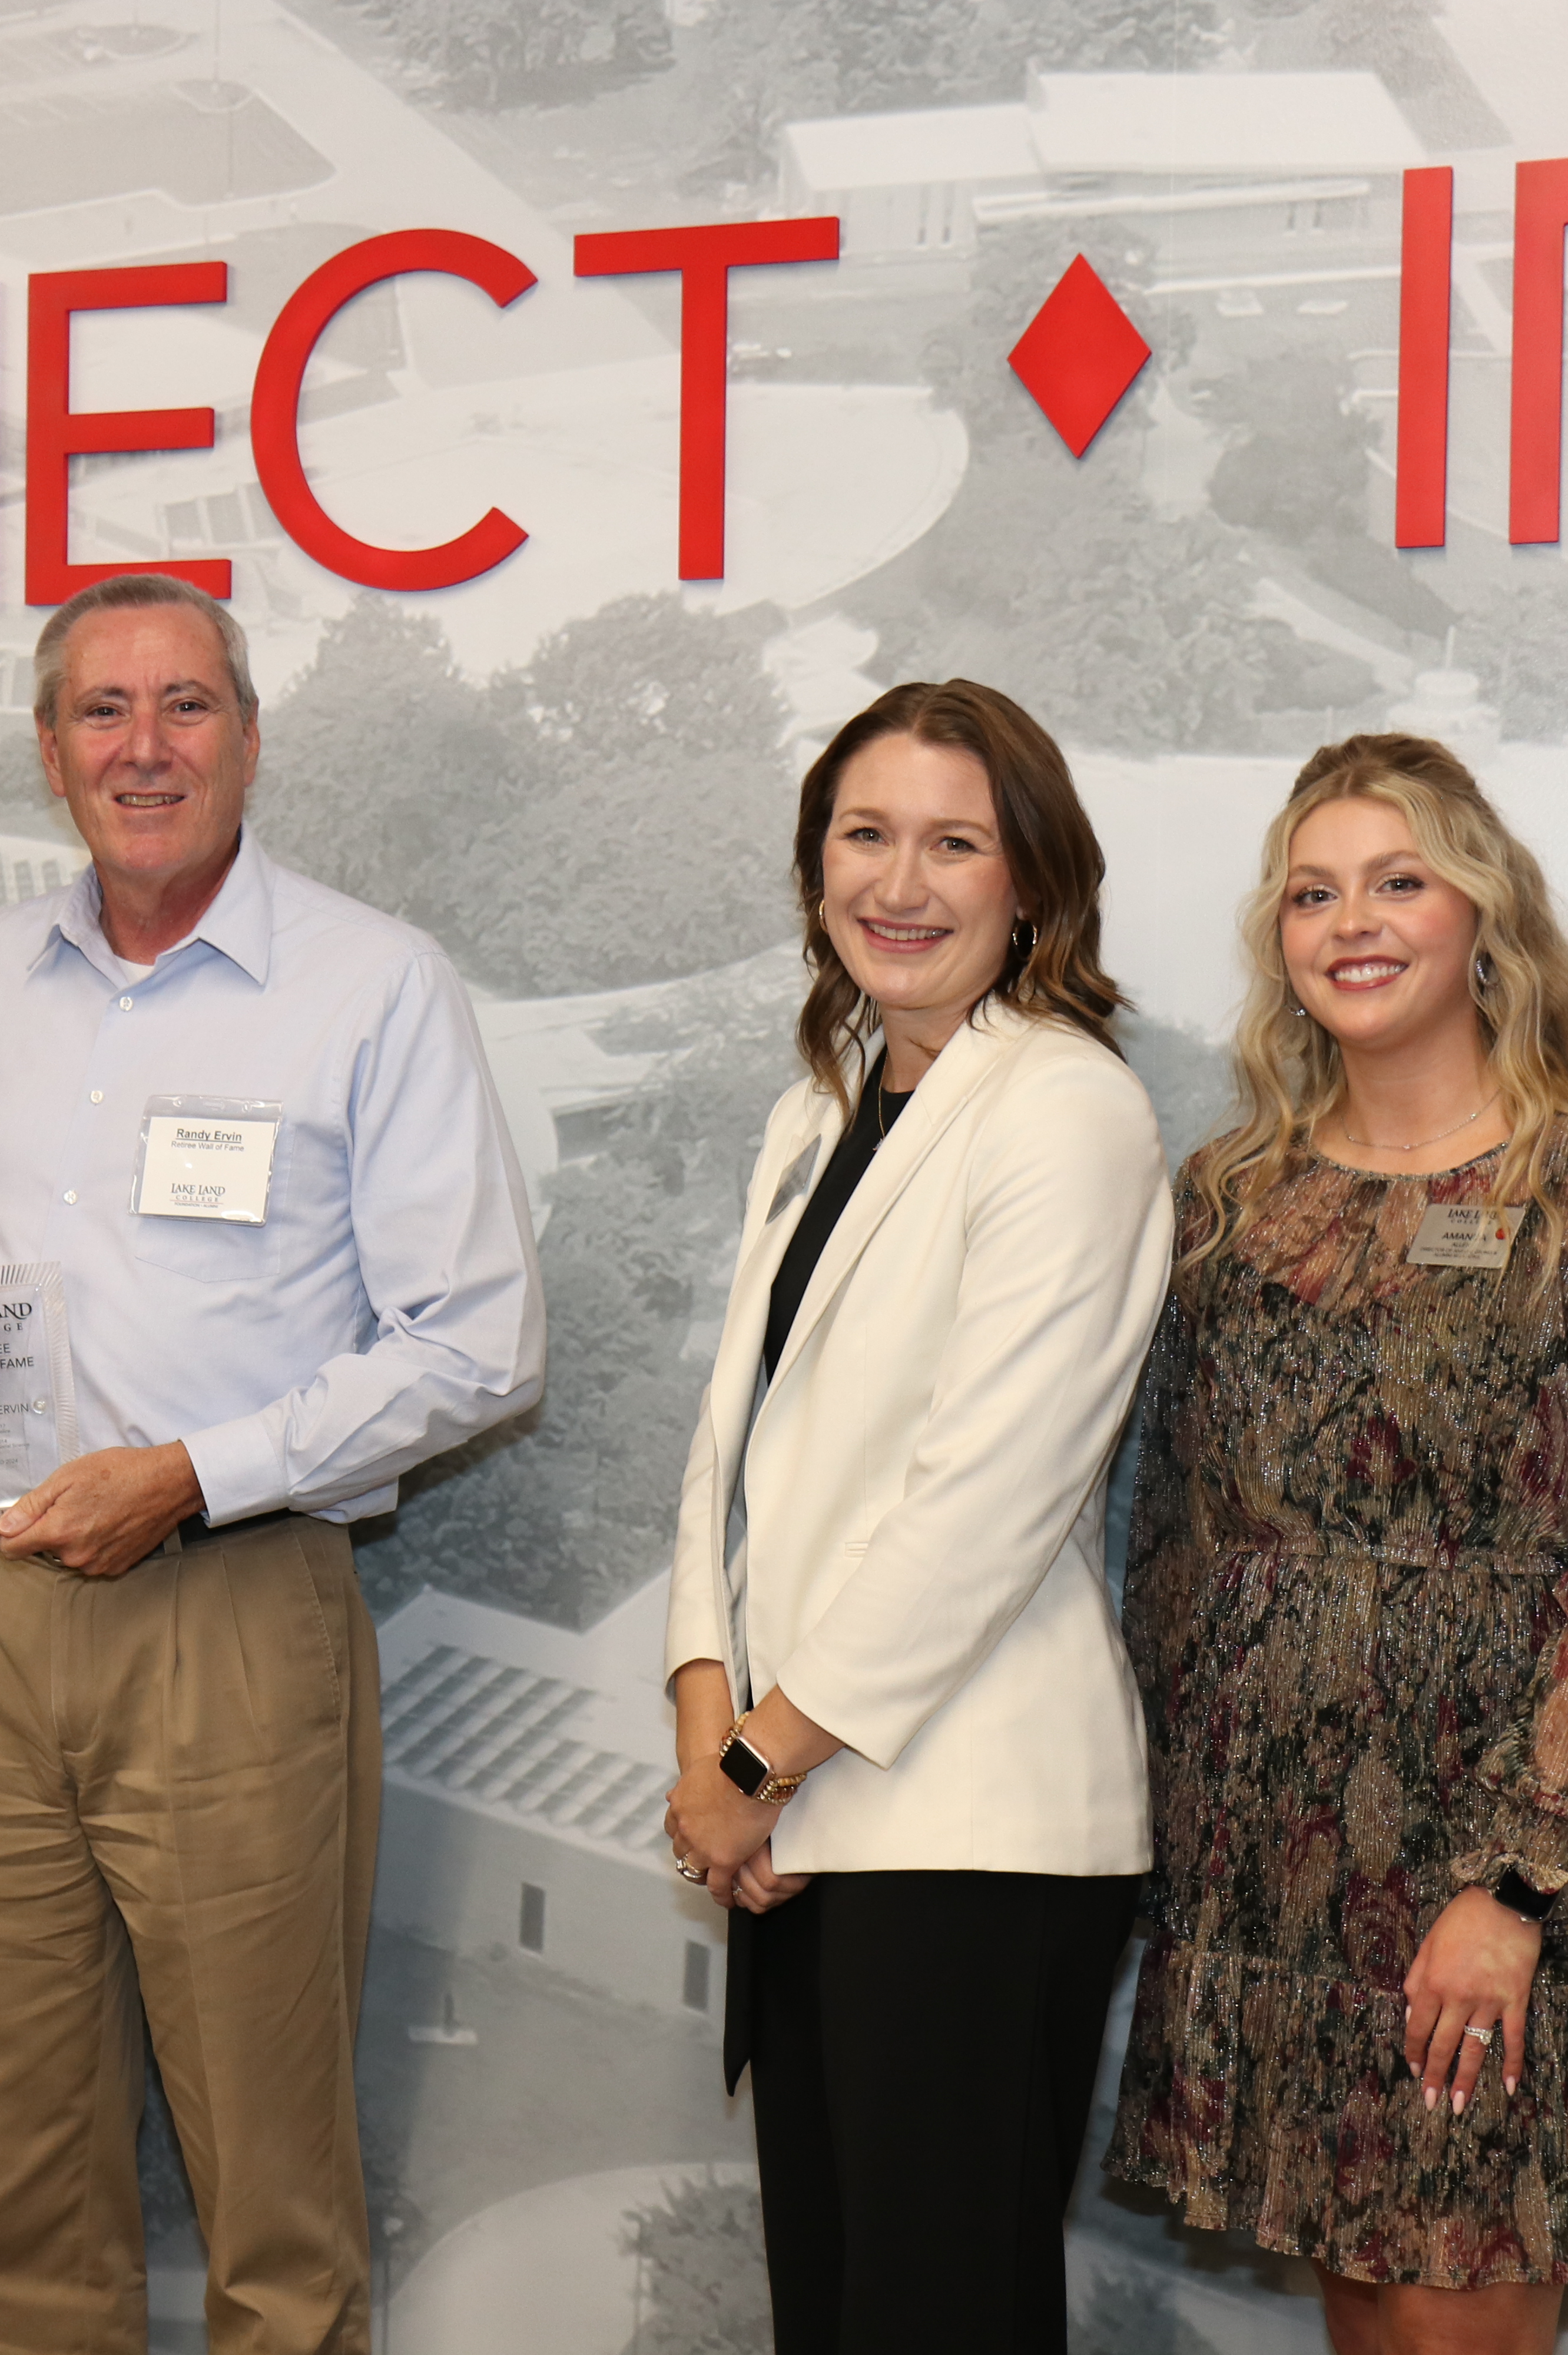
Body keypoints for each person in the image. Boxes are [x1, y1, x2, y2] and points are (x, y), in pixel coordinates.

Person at [0, 573, 543, 2355]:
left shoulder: (371, 984)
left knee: (270, 2191)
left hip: (234, 1610)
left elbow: (477, 1343)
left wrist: (195, 1471)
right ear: (47, 748)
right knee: (17, 2171)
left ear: (248, 736)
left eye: (184, 708)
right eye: (103, 711)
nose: (142, 748)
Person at [1106, 735, 1568, 2355]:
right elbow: (1173, 1534)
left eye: (1399, 880)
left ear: (1484, 912)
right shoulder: (1228, 1198)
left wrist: (1516, 1885)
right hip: (1267, 1875)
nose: (1353, 921)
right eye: (1312, 892)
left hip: (1503, 1871)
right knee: (1370, 2321)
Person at [660, 679, 1172, 2353]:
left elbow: (988, 1502)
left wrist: (752, 1768)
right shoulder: (816, 1114)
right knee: (839, 2305)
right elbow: (727, 1463)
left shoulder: (1067, 1111)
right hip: (808, 1815)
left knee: (937, 2315)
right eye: (866, 835)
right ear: (816, 870)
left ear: (1032, 881)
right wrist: (705, 1723)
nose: (903, 882)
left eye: (956, 843)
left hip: (970, 1829)